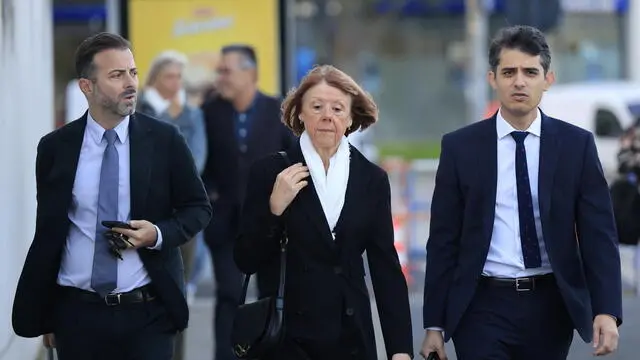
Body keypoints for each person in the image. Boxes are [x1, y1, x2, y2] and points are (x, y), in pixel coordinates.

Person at [420, 25, 622, 360]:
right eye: (509, 72)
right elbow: (443, 241)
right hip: (481, 306)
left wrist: (607, 310)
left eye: (530, 72)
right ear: (492, 79)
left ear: (548, 79)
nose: (519, 82)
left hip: (550, 306)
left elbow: (598, 234)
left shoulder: (576, 146)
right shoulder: (460, 148)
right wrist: (434, 325)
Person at [11, 32, 212, 360]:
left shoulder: (165, 140)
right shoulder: (55, 149)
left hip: (148, 312)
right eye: (116, 75)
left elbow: (198, 208)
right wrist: (47, 313)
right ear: (86, 86)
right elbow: (50, 231)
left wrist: (157, 235)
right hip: (76, 315)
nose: (130, 83)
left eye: (132, 72)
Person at [234, 65, 413, 360]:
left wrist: (400, 349)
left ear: (351, 117)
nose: (327, 116)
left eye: (338, 108)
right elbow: (245, 259)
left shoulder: (371, 179)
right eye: (317, 107)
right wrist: (274, 210)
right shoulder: (270, 171)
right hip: (287, 338)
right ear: (300, 113)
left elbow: (385, 268)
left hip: (351, 336)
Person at [200, 44, 294, 360]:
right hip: (224, 225)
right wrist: (210, 196)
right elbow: (199, 161)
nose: (220, 77)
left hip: (270, 224)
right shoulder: (210, 112)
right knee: (229, 294)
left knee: (272, 295)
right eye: (220, 70)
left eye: (226, 70)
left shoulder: (277, 111)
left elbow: (294, 159)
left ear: (249, 73)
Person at [136, 49, 208, 360]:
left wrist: (181, 116)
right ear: (154, 77)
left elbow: (196, 161)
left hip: (178, 217)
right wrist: (170, 116)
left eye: (180, 77)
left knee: (176, 296)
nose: (176, 82)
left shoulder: (191, 114)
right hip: (141, 216)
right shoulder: (138, 108)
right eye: (170, 75)